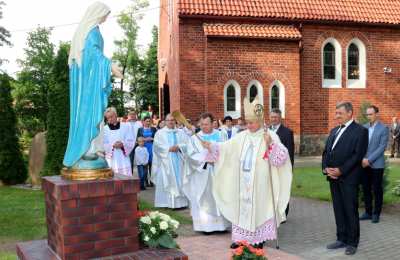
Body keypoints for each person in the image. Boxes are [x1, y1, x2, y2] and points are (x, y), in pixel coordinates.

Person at [201, 96, 292, 249]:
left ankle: (258, 239)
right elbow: (226, 148)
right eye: (247, 122)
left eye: (251, 123)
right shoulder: (242, 136)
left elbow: (282, 158)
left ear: (259, 121)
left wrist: (271, 145)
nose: (247, 125)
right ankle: (241, 238)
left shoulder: (269, 135)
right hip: (243, 182)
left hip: (261, 183)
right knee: (241, 208)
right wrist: (212, 146)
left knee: (260, 209)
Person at [63, 2, 123, 169]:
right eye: (105, 14)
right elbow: (94, 55)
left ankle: (91, 149)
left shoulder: (85, 31)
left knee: (89, 115)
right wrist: (110, 66)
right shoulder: (91, 32)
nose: (106, 17)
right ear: (97, 13)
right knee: (89, 114)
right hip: (89, 86)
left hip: (88, 82)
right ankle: (86, 149)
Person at [322, 102, 368, 256]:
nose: (337, 116)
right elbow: (326, 151)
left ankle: (352, 242)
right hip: (333, 177)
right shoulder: (334, 130)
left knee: (350, 210)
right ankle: (341, 238)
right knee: (338, 209)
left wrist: (341, 170)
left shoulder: (360, 131)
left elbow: (357, 155)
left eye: (339, 113)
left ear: (349, 113)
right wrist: (325, 168)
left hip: (349, 178)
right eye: (336, 113)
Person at [182, 113, 230, 233]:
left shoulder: (221, 135)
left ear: (213, 123)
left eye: (206, 124)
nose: (204, 127)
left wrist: (216, 157)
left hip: (218, 172)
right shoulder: (194, 138)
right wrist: (206, 156)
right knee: (203, 197)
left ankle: (221, 226)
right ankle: (205, 226)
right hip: (202, 173)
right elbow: (191, 156)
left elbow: (227, 151)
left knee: (219, 197)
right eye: (202, 124)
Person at [152, 114, 189, 209]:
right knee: (166, 181)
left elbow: (187, 144)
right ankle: (165, 203)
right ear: (165, 121)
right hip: (166, 161)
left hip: (179, 160)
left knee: (180, 180)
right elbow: (157, 146)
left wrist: (179, 147)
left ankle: (181, 204)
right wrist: (168, 148)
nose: (171, 122)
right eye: (169, 120)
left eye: (172, 120)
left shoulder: (180, 132)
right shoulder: (160, 133)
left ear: (175, 121)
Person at [360, 105, 389, 223]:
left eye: (371, 114)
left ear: (377, 114)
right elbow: (360, 145)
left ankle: (376, 213)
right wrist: (362, 159)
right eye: (367, 114)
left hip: (377, 165)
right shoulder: (364, 127)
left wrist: (369, 160)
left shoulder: (383, 128)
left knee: (377, 190)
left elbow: (381, 147)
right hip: (363, 164)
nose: (369, 116)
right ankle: (368, 212)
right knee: (366, 188)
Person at [269, 108, 295, 218]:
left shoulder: (287, 132)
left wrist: (289, 169)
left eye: (275, 117)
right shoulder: (266, 131)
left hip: (282, 166)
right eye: (272, 117)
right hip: (269, 167)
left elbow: (290, 152)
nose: (273, 119)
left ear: (280, 118)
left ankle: (283, 213)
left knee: (282, 188)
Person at [103, 107, 135, 176]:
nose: (110, 119)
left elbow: (130, 140)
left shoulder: (126, 126)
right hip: (112, 158)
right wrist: (112, 145)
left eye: (111, 117)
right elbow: (103, 143)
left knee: (125, 178)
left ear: (116, 115)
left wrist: (122, 144)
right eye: (108, 118)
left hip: (123, 157)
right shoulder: (104, 129)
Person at [137, 116, 157, 186]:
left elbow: (157, 138)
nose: (148, 122)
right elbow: (138, 139)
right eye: (147, 121)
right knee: (145, 165)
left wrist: (152, 139)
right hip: (143, 149)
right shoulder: (140, 129)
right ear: (143, 122)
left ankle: (152, 181)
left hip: (151, 148)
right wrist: (145, 139)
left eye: (149, 121)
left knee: (152, 166)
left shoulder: (154, 129)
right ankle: (145, 181)